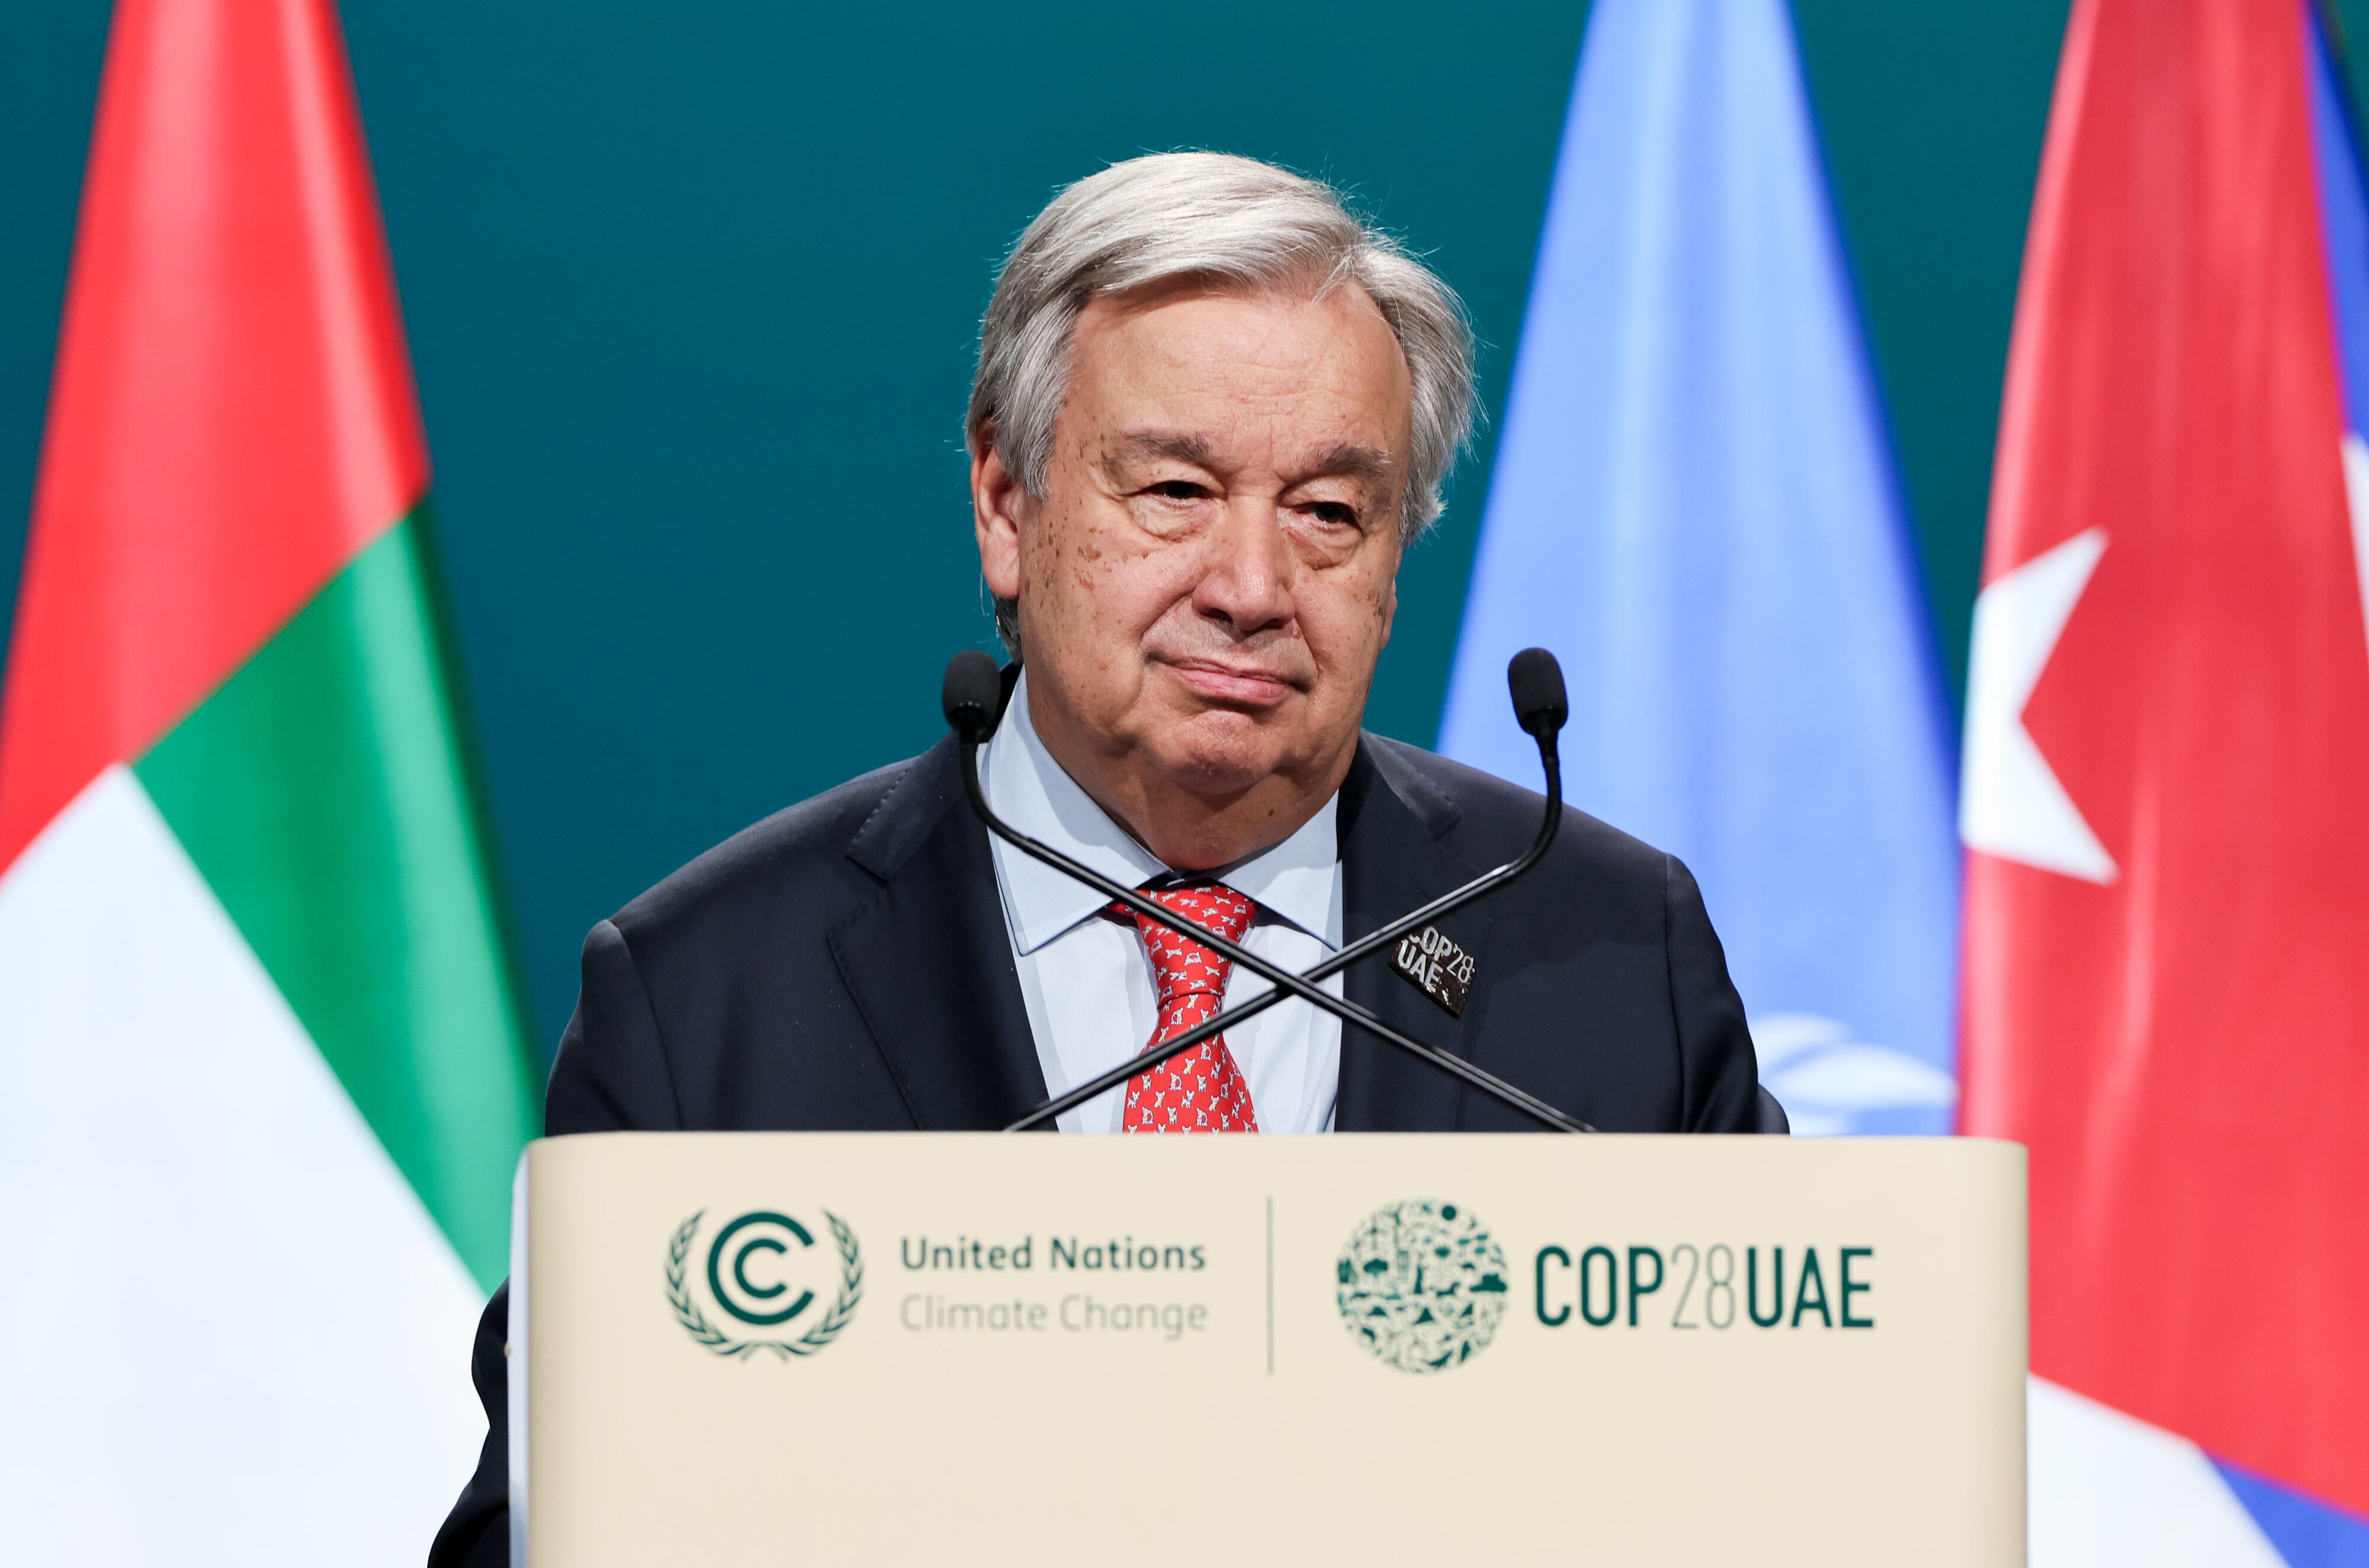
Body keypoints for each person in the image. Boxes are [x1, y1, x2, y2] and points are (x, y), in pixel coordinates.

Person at [428, 150, 1772, 1565]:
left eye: (1327, 512)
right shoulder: (710, 998)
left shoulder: (1611, 954)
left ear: (1392, 557)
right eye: (1176, 490)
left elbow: (1786, 1477)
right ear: (1008, 508)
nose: (1252, 589)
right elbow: (527, 1538)